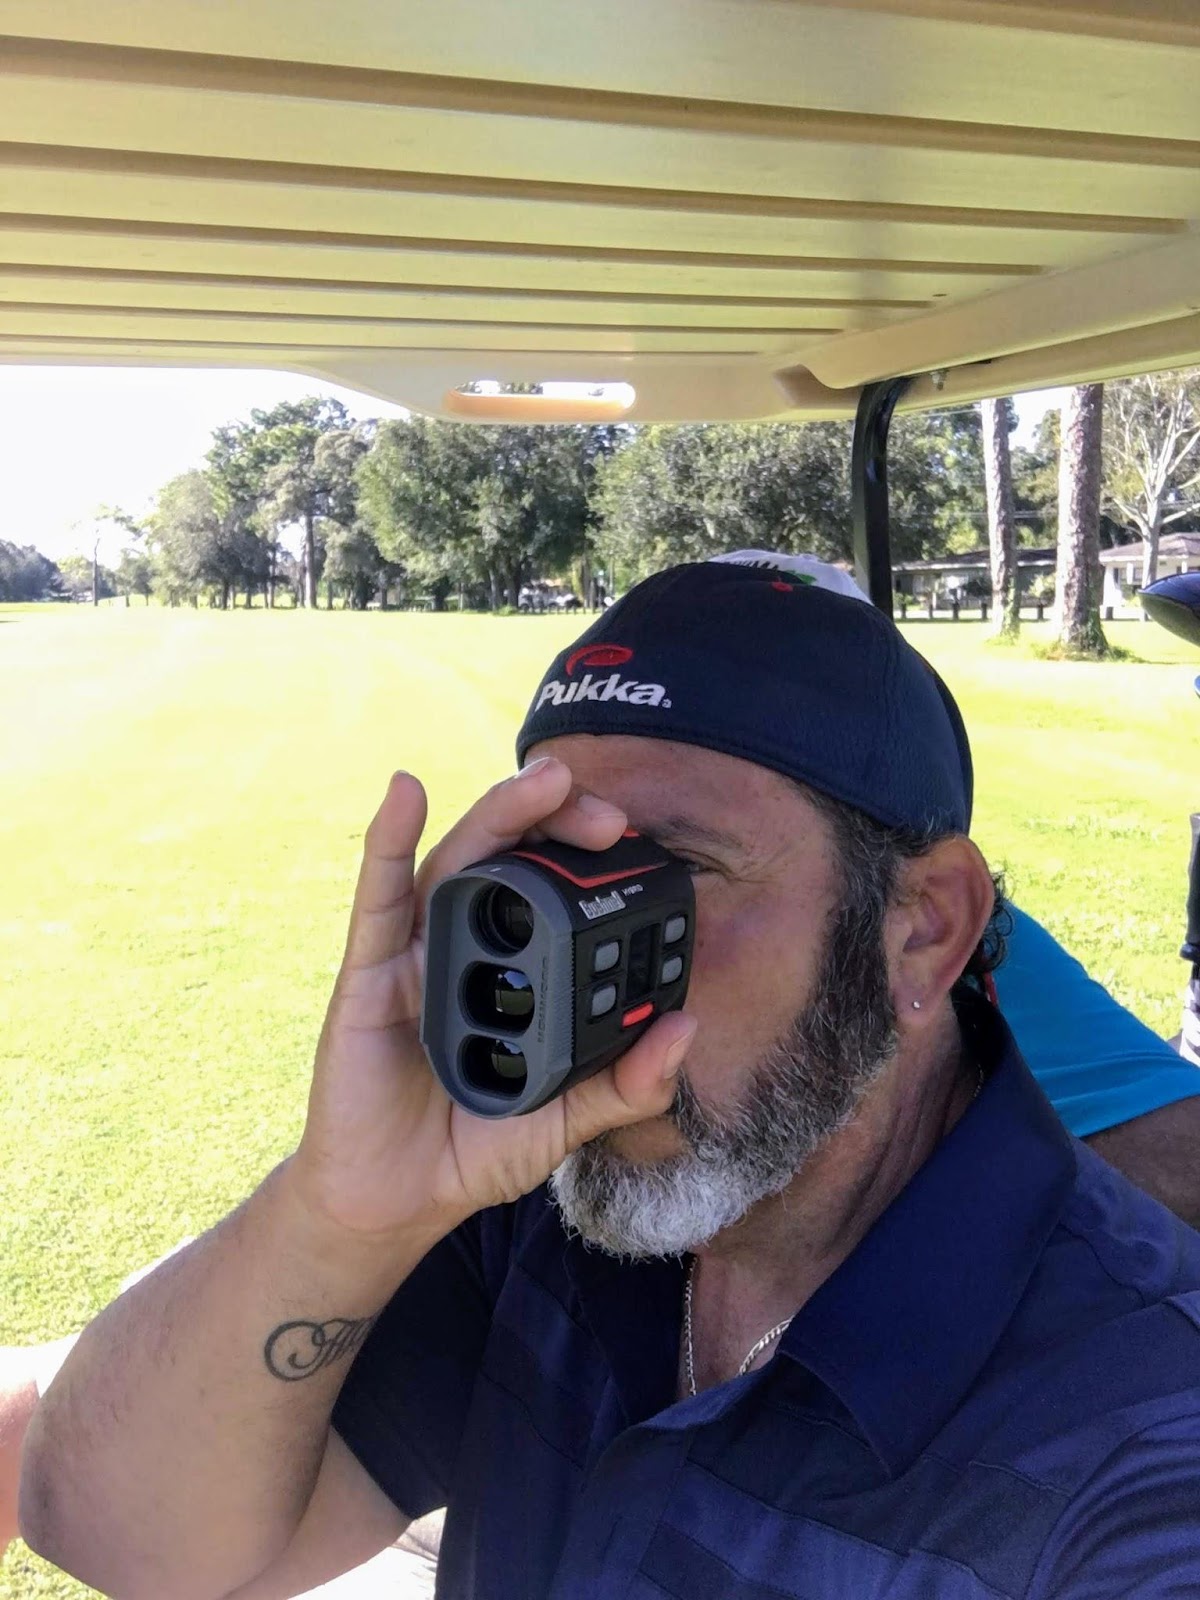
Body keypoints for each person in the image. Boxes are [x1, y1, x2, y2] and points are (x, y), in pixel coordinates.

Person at [20, 557, 1200, 1599]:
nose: (588, 979)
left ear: (923, 929)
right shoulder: (543, 1209)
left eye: (670, 871)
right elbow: (122, 1540)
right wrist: (342, 1211)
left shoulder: (1139, 1420)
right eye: (563, 869)